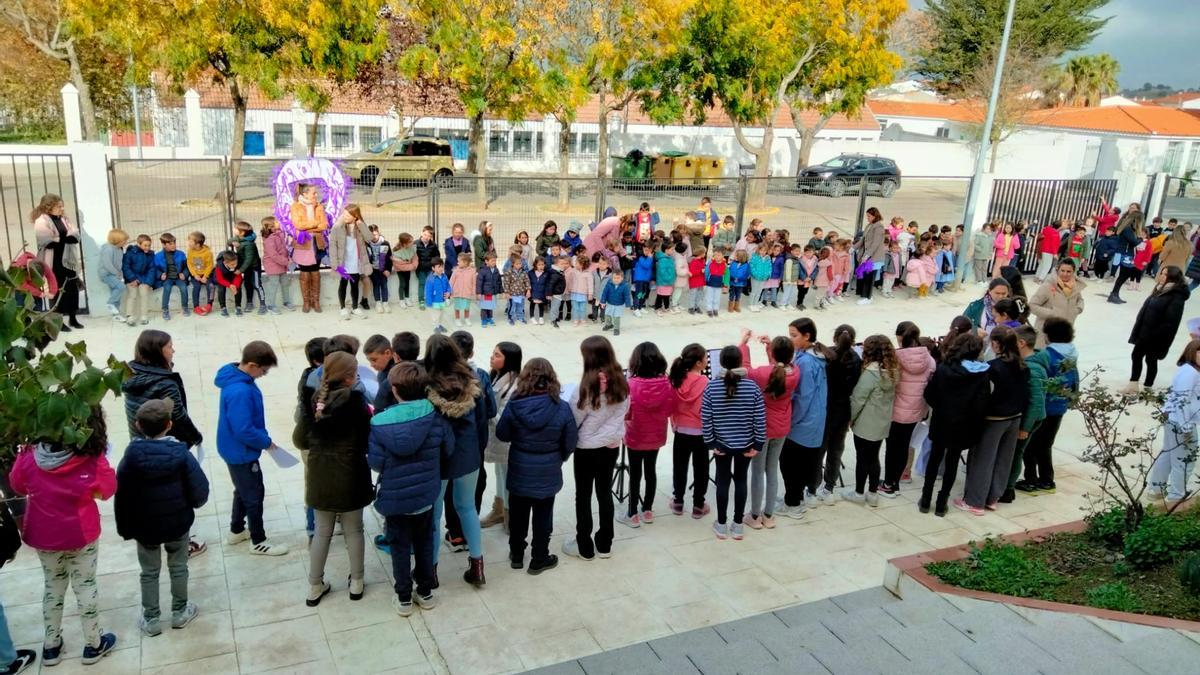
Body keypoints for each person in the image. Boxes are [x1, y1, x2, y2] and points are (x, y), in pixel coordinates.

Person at [9, 406, 117, 665]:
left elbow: (17, 485)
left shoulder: (29, 455)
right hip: (81, 534)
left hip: (43, 533)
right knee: (85, 586)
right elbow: (108, 490)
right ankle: (93, 643)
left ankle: (51, 646)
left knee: (52, 588)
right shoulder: (91, 458)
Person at [115, 399, 209, 636]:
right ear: (169, 424)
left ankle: (151, 619)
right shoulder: (181, 454)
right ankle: (179, 612)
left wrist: (126, 527)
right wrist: (192, 505)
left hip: (144, 526)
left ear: (137, 425)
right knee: (178, 567)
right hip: (177, 523)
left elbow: (122, 496)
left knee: (149, 571)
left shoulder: (130, 458)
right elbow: (200, 491)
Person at [368, 361, 451, 615]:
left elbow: (376, 462)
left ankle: (403, 598)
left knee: (399, 547)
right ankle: (425, 592)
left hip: (394, 500)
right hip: (425, 495)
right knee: (425, 543)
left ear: (394, 390)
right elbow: (448, 450)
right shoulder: (436, 418)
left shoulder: (379, 423)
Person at [121, 328, 207, 556]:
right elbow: (178, 415)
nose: (173, 349)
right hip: (165, 444)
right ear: (157, 351)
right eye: (169, 346)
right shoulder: (165, 382)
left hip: (140, 442)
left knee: (149, 491)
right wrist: (195, 437)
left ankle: (153, 531)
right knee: (172, 492)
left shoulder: (129, 373)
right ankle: (179, 540)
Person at [303, 352, 373, 606]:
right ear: (350, 377)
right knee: (354, 529)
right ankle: (356, 581)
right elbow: (367, 438)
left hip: (320, 473)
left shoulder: (313, 399)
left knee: (322, 532)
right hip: (350, 473)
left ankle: (314, 585)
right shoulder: (356, 402)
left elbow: (301, 438)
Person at [496, 358, 578, 574]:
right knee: (543, 516)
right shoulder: (561, 408)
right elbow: (570, 442)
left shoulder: (515, 403)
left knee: (518, 513)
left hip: (519, 468)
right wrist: (556, 457)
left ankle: (516, 554)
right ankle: (539, 559)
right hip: (548, 470)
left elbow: (502, 434)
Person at [424, 334, 487, 586]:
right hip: (468, 454)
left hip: (438, 457)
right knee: (467, 507)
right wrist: (478, 451)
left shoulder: (426, 384)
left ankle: (431, 571)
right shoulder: (473, 379)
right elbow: (482, 421)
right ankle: (477, 565)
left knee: (434, 513)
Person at [215, 341, 288, 555]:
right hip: (241, 451)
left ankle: (237, 530)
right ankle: (258, 541)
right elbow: (243, 429)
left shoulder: (235, 377)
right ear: (253, 365)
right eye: (264, 371)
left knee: (243, 490)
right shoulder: (241, 391)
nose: (264, 375)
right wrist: (265, 442)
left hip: (233, 448)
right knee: (254, 494)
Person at [564, 337, 629, 560]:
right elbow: (623, 412)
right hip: (611, 446)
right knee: (604, 494)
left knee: (583, 495)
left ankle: (584, 545)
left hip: (586, 448)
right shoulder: (622, 382)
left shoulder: (586, 388)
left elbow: (574, 417)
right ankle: (605, 544)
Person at [956, 326, 1028, 516]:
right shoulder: (1022, 365)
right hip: (1015, 418)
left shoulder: (993, 368)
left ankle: (975, 501)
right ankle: (993, 497)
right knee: (1003, 460)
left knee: (982, 460)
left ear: (996, 344)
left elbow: (985, 396)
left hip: (994, 420)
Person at [919, 333, 989, 516]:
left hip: (942, 420)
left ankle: (926, 499)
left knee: (935, 458)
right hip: (963, 424)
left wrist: (942, 407)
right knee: (952, 462)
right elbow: (981, 403)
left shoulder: (943, 369)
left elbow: (930, 394)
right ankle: (942, 503)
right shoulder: (981, 373)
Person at [701, 346, 766, 540]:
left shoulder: (712, 387)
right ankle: (737, 524)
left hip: (721, 444)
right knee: (740, 481)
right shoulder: (752, 387)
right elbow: (759, 418)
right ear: (740, 362)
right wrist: (758, 443)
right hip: (745, 444)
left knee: (722, 481)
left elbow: (706, 417)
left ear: (720, 362)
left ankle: (721, 524)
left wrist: (711, 443)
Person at [741, 331, 798, 528]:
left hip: (762, 428)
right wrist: (770, 347)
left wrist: (744, 345)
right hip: (782, 427)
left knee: (757, 471)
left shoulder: (763, 373)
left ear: (774, 354)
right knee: (772, 470)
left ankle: (755, 516)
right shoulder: (795, 372)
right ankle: (769, 515)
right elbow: (778, 369)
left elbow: (746, 369)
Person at [1016, 317, 1078, 495]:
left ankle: (1030, 480)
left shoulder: (1048, 355)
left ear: (1048, 336)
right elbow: (1076, 379)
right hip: (1060, 406)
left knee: (1030, 445)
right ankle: (1047, 480)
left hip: (1046, 406)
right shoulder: (1071, 354)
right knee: (1046, 444)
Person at [620, 342, 676, 528]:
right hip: (656, 435)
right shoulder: (667, 384)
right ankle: (648, 510)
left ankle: (632, 513)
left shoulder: (631, 385)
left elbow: (625, 413)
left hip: (636, 434)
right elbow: (670, 409)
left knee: (635, 474)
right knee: (650, 471)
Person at [880, 322, 935, 497]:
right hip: (915, 410)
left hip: (896, 410)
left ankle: (888, 484)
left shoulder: (895, 358)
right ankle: (895, 481)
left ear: (899, 337)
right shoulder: (929, 358)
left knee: (892, 447)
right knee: (904, 445)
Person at [843, 335, 898, 506]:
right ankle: (873, 493)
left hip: (866, 422)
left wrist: (850, 418)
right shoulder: (893, 370)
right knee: (874, 458)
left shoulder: (871, 373)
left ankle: (859, 493)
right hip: (882, 421)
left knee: (862, 459)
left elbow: (858, 398)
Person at [783, 318, 830, 516]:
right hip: (814, 420)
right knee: (800, 464)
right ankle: (796, 499)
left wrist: (791, 421)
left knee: (790, 464)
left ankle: (793, 504)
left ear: (807, 336)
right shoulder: (811, 356)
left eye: (794, 335)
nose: (790, 339)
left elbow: (804, 396)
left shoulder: (807, 362)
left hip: (804, 422)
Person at [1148, 339, 1200, 505]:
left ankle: (1156, 489)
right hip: (1181, 423)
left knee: (1169, 453)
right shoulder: (1190, 373)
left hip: (1175, 421)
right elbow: (1181, 400)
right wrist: (1185, 427)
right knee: (1185, 460)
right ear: (1193, 352)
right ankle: (1177, 496)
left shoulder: (1190, 370)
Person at [813, 325, 861, 502]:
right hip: (844, 410)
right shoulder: (856, 359)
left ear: (835, 338)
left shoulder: (827, 356)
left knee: (819, 449)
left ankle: (813, 485)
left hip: (825, 409)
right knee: (836, 449)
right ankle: (829, 487)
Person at [1125, 266, 1190, 393]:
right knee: (1139, 356)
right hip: (1145, 331)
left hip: (1155, 336)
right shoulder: (1161, 289)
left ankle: (1147, 386)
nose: (1161, 276)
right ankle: (1134, 385)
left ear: (1172, 278)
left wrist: (1154, 335)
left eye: (1165, 274)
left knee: (1149, 359)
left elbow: (1170, 321)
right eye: (1161, 273)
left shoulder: (1176, 296)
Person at [480, 342, 522, 532]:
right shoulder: (495, 376)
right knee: (498, 473)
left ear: (508, 360)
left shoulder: (514, 385)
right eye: (493, 353)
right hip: (495, 437)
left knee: (506, 476)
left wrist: (487, 413)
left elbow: (505, 415)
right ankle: (498, 509)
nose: (492, 357)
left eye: (497, 355)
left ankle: (509, 514)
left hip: (506, 439)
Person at [669, 344, 711, 519]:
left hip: (681, 430)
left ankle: (678, 501)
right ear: (700, 363)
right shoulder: (705, 382)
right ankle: (698, 505)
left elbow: (671, 405)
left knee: (680, 466)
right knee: (701, 469)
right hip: (700, 432)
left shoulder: (676, 379)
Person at [32, 194, 83, 329]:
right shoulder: (41, 221)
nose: (62, 208)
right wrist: (64, 238)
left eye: (62, 206)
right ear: (49, 207)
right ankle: (58, 321)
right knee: (56, 289)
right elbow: (47, 242)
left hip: (68, 259)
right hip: (53, 261)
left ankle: (73, 318)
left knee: (72, 288)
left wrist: (58, 238)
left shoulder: (65, 219)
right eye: (59, 206)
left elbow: (76, 236)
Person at [290, 183, 329, 313]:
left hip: (317, 243)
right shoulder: (295, 206)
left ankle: (316, 301)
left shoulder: (319, 207)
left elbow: (324, 225)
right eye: (313, 193)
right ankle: (306, 302)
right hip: (303, 244)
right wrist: (315, 224)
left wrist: (309, 227)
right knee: (305, 272)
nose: (316, 195)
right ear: (304, 194)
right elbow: (298, 224)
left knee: (315, 271)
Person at [1029, 258, 1085, 347]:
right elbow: (1032, 305)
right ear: (1057, 270)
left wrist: (1077, 309)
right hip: (1046, 335)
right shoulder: (1047, 286)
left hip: (1065, 333)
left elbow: (1080, 300)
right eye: (1062, 271)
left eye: (1068, 271)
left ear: (1073, 272)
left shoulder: (1075, 287)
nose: (1065, 274)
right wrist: (1051, 313)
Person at [329, 205, 373, 319]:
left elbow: (369, 238)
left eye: (348, 215)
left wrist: (361, 225)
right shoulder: (338, 226)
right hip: (343, 262)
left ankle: (355, 308)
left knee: (355, 285)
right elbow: (332, 245)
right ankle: (343, 308)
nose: (345, 216)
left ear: (355, 216)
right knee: (343, 284)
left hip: (356, 261)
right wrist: (334, 263)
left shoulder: (359, 227)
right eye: (344, 214)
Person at [1107, 210, 1145, 304]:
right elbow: (1134, 242)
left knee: (1124, 275)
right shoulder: (1128, 229)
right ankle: (1114, 294)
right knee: (1125, 274)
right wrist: (1141, 238)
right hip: (1125, 254)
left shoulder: (1130, 229)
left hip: (1127, 254)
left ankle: (1115, 293)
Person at [122, 233, 157, 326]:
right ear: (139, 244)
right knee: (132, 294)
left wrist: (148, 282)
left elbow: (152, 269)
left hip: (144, 278)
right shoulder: (130, 253)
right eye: (145, 245)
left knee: (144, 294)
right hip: (131, 278)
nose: (147, 247)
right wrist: (132, 279)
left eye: (149, 245)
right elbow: (126, 267)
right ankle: (129, 316)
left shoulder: (151, 255)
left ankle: (144, 315)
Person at [854, 207, 887, 305]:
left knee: (869, 277)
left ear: (874, 216)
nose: (867, 218)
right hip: (866, 255)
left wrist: (867, 255)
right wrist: (854, 248)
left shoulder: (879, 227)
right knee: (864, 276)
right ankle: (864, 294)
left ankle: (867, 297)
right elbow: (863, 240)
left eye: (869, 216)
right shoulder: (870, 225)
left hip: (873, 257)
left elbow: (875, 244)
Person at [154, 233, 190, 320]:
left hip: (178, 277)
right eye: (170, 244)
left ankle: (185, 307)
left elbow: (187, 267)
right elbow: (155, 269)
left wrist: (184, 274)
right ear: (163, 244)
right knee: (167, 289)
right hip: (167, 278)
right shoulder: (158, 256)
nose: (173, 245)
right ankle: (165, 310)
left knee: (183, 288)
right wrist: (160, 275)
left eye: (174, 243)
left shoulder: (181, 254)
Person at [261, 216, 293, 314]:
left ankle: (286, 301)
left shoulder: (279, 234)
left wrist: (288, 258)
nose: (279, 223)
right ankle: (270, 305)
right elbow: (274, 255)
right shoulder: (269, 239)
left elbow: (283, 249)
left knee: (285, 283)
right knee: (273, 285)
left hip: (282, 264)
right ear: (271, 226)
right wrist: (286, 261)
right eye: (276, 222)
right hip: (273, 266)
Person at [231, 220, 264, 314]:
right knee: (247, 284)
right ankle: (249, 303)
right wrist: (235, 242)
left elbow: (248, 260)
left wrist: (240, 270)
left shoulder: (249, 244)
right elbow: (229, 241)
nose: (233, 229)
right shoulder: (240, 238)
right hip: (247, 268)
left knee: (257, 285)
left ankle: (263, 304)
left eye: (235, 228)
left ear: (242, 232)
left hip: (254, 267)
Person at [98, 228, 128, 320]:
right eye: (124, 240)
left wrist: (120, 274)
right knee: (121, 287)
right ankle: (110, 303)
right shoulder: (108, 249)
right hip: (106, 274)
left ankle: (116, 315)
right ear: (117, 240)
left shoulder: (119, 249)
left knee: (116, 293)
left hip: (115, 274)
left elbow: (119, 264)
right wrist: (116, 273)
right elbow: (107, 264)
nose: (125, 242)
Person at [599, 267, 632, 336]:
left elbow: (627, 296)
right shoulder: (609, 284)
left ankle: (616, 328)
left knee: (616, 317)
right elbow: (604, 293)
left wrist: (628, 305)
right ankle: (609, 324)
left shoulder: (625, 286)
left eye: (618, 278)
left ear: (622, 278)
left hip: (619, 304)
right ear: (612, 278)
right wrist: (603, 302)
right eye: (614, 278)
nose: (616, 280)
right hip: (610, 303)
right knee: (607, 315)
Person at [414, 227, 439, 310]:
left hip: (429, 268)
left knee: (431, 282)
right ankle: (421, 301)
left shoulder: (433, 245)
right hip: (420, 268)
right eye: (425, 235)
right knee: (422, 283)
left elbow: (436, 256)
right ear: (421, 233)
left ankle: (431, 298)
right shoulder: (415, 244)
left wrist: (433, 265)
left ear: (431, 237)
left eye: (429, 236)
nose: (426, 237)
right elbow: (412, 256)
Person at [213, 250, 244, 317]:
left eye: (236, 263)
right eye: (232, 264)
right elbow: (220, 279)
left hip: (233, 277)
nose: (235, 266)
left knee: (238, 288)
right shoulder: (219, 266)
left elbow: (238, 277)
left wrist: (235, 286)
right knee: (221, 288)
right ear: (225, 263)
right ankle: (223, 307)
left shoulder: (237, 264)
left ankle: (238, 306)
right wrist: (229, 285)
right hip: (223, 279)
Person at [424, 259, 451, 334]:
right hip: (434, 301)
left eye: (442, 266)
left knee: (441, 314)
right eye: (439, 267)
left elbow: (448, 286)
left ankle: (439, 325)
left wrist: (448, 292)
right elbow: (428, 291)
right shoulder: (430, 279)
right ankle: (435, 327)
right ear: (433, 268)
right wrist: (429, 303)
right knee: (435, 315)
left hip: (442, 300)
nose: (441, 268)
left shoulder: (444, 276)